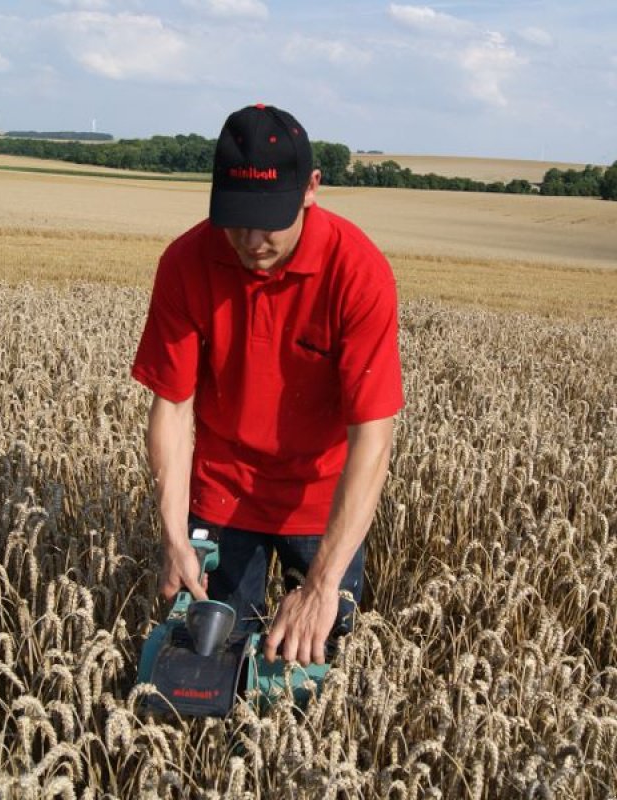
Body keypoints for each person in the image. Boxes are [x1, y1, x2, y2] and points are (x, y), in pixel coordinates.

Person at [131, 103, 403, 667]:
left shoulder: (357, 271)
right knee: (210, 661)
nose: (251, 239)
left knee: (314, 663)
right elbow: (173, 408)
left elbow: (372, 438)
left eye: (268, 218)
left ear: (311, 188)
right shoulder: (186, 262)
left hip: (321, 501)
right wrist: (174, 535)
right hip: (223, 491)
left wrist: (323, 583)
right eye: (235, 217)